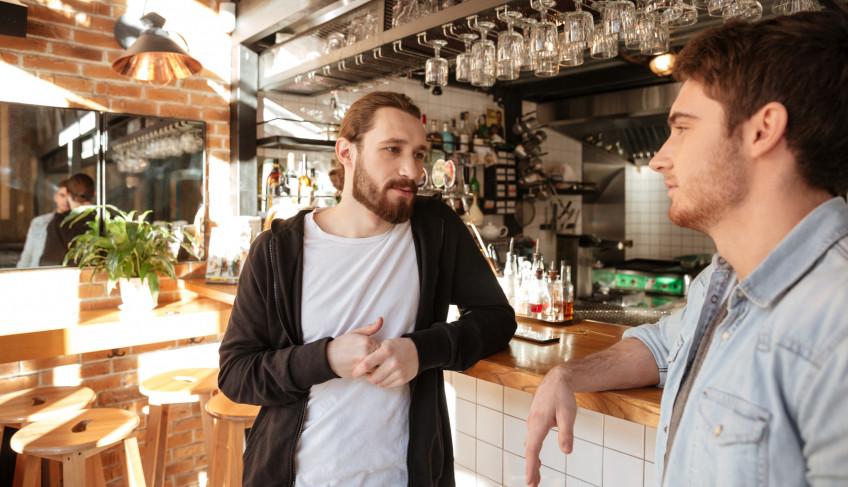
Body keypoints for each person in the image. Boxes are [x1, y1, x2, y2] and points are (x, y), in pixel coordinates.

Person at [525, 12, 848, 487]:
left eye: (682, 127)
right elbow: (660, 347)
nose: (659, 158)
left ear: (762, 130)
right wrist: (566, 375)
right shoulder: (722, 283)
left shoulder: (834, 321)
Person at [218, 91, 516, 486]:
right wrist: (323, 358)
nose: (411, 170)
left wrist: (420, 350)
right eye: (392, 149)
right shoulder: (277, 251)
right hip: (298, 477)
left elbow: (497, 319)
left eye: (420, 154)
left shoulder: (436, 230)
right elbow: (237, 373)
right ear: (347, 152)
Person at [39, 173, 95, 266]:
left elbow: (49, 264)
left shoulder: (60, 224)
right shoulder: (111, 219)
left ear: (68, 194)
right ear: (94, 194)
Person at [17, 181, 70, 268]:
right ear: (55, 197)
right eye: (62, 195)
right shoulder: (39, 222)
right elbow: (27, 253)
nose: (65, 200)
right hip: (36, 272)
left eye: (69, 197)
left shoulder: (74, 225)